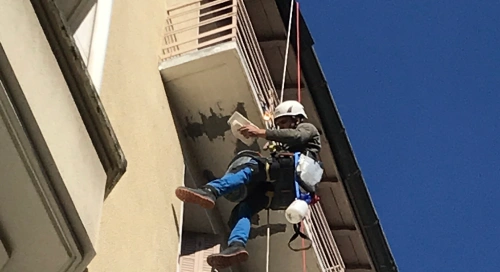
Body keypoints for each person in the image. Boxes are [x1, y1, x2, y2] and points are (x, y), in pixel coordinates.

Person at [174, 100, 321, 269]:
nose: (280, 127)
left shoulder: (308, 128)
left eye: (283, 122)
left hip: (290, 172)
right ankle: (237, 245)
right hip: (282, 191)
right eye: (279, 124)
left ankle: (211, 191)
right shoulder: (287, 143)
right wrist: (274, 145)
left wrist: (261, 132)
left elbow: (296, 136)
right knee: (244, 208)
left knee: (250, 166)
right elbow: (288, 139)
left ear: (296, 118)